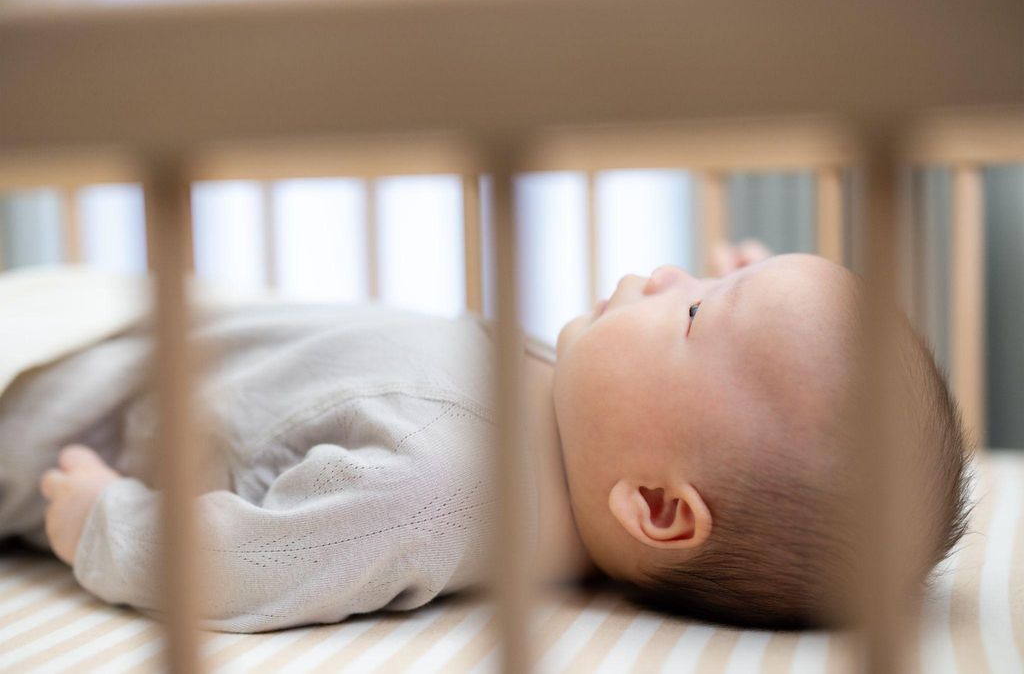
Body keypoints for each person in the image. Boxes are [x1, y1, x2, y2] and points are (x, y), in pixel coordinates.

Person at [2, 241, 970, 632]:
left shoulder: (445, 487)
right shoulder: (573, 434)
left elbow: (268, 555)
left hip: (53, 401)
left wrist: (110, 523)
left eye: (693, 314)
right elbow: (740, 402)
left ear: (661, 508)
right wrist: (738, 306)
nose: (672, 273)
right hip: (153, 330)